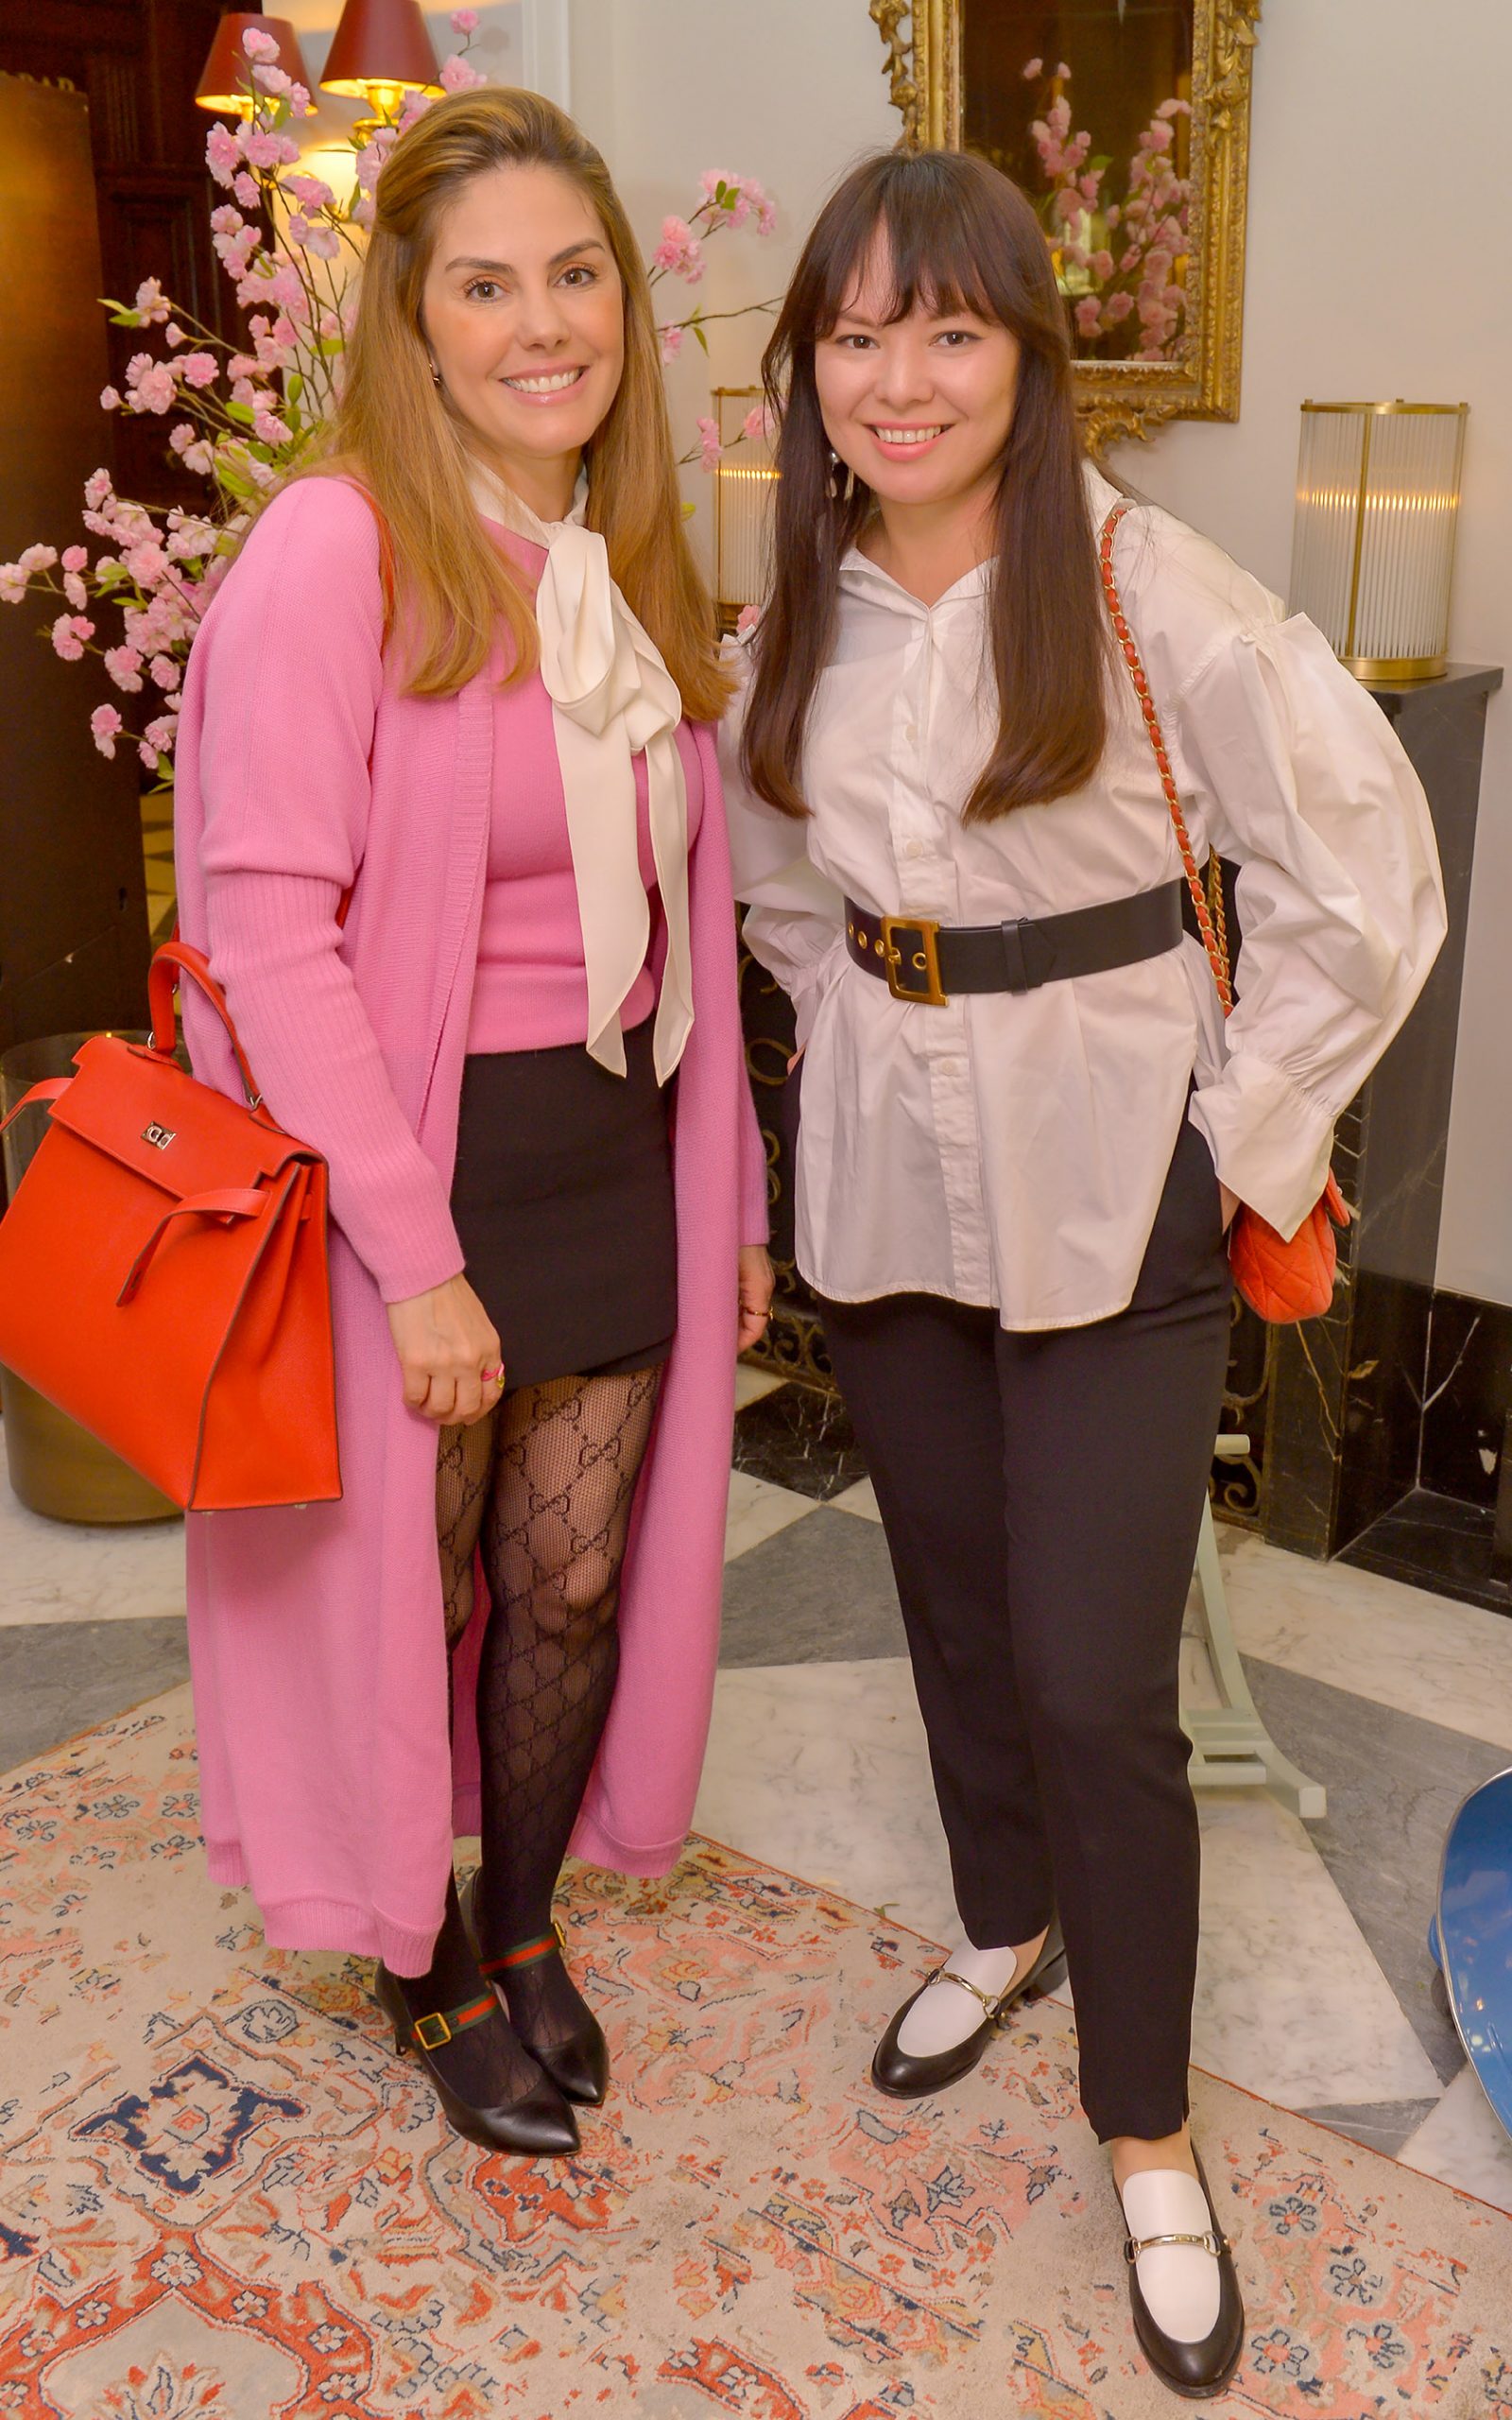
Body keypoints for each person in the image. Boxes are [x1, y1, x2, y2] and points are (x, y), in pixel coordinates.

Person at [723, 147, 1444, 2399]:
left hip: (1114, 1191)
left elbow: (1365, 879)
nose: (896, 378)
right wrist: (854, 1032)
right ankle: (1001, 1917)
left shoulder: (1150, 586)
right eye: (853, 334)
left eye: (945, 329)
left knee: (1091, 1670)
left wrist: (1236, 1125)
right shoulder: (796, 608)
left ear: (1028, 355)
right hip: (884, 1189)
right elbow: (769, 877)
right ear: (807, 369)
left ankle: (1143, 2125)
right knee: (947, 1599)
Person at [171, 87, 772, 2159]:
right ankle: (415, 1953)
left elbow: (691, 919)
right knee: (408, 1591)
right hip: (411, 1166)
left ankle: (520, 1920)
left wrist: (731, 1197)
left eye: (576, 276)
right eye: (487, 286)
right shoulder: (334, 546)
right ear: (415, 326)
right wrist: (412, 1257)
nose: (545, 325)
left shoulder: (620, 559)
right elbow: (265, 929)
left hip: (610, 1150)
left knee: (567, 1580)